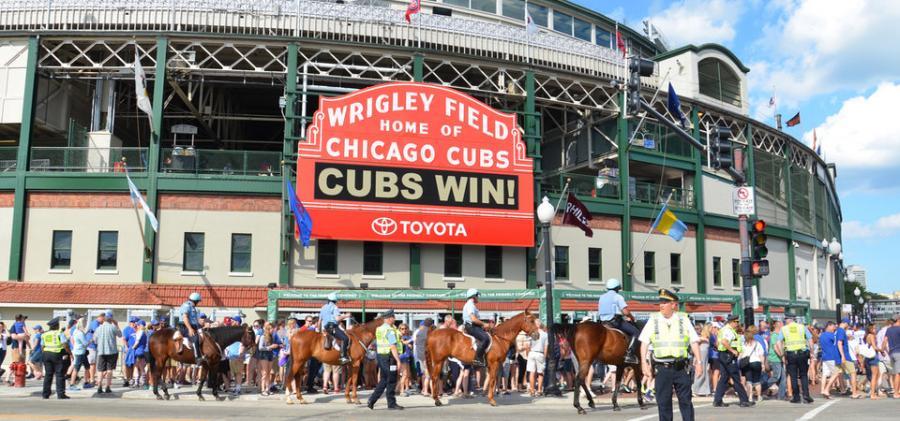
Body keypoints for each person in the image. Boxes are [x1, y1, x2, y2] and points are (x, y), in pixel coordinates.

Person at [638, 288, 702, 421]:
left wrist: (699, 362)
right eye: (660, 302)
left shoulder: (683, 319)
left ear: (673, 305)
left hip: (680, 367)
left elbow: (694, 341)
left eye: (665, 302)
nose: (661, 305)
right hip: (662, 368)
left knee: (686, 402)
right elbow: (644, 342)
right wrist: (644, 363)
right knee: (663, 403)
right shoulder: (653, 319)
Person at [712, 314, 753, 408]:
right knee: (736, 378)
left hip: (724, 355)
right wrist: (732, 350)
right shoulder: (728, 330)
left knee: (724, 378)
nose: (737, 324)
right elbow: (724, 342)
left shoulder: (724, 329)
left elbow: (718, 343)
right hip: (728, 355)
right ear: (732, 322)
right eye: (736, 322)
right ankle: (744, 400)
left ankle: (717, 400)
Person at [367, 310, 404, 410]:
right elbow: (392, 346)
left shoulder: (380, 329)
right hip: (389, 358)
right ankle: (391, 403)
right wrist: (398, 360)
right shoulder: (389, 330)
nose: (394, 319)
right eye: (393, 317)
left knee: (384, 379)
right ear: (389, 318)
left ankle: (372, 400)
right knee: (391, 380)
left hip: (381, 356)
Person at [598, 278, 640, 363]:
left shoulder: (601, 297)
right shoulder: (617, 297)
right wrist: (632, 318)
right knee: (636, 332)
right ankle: (630, 354)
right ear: (617, 288)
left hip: (603, 323)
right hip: (615, 323)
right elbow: (626, 312)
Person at [40, 317, 71, 400]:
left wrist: (46, 352)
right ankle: (60, 394)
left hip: (46, 354)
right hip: (57, 353)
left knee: (48, 374)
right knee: (59, 374)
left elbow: (42, 346)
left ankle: (45, 394)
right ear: (57, 325)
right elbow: (65, 344)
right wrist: (69, 353)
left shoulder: (44, 334)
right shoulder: (59, 333)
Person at [318, 292, 351, 365]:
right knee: (345, 338)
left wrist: (318, 330)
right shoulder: (335, 307)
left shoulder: (323, 307)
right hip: (332, 327)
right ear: (335, 301)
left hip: (325, 327)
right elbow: (337, 318)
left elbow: (319, 320)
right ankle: (343, 357)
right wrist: (346, 315)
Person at [93, 310, 121, 395]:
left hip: (101, 351)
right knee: (109, 370)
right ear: (111, 319)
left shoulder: (98, 328)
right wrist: (116, 324)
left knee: (100, 370)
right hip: (112, 351)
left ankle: (99, 387)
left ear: (104, 318)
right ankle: (108, 387)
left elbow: (94, 339)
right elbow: (120, 335)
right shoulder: (113, 327)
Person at [462, 289, 489, 367]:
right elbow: (473, 319)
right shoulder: (470, 305)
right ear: (474, 296)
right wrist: (484, 324)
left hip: (473, 326)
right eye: (477, 296)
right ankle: (477, 360)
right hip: (471, 326)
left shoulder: (471, 305)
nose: (478, 298)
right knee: (485, 338)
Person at [739, 326, 766, 402]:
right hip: (756, 362)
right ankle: (759, 396)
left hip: (747, 363)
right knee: (757, 381)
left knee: (749, 380)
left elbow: (740, 355)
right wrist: (763, 364)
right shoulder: (757, 344)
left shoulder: (743, 345)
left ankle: (750, 396)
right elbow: (761, 355)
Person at [177, 292, 205, 364]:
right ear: (195, 301)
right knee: (195, 338)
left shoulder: (192, 307)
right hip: (185, 327)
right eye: (198, 301)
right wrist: (190, 329)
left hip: (193, 326)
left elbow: (194, 320)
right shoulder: (186, 306)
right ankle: (197, 357)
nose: (198, 303)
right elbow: (185, 318)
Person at [836, 318, 859, 398]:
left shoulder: (838, 331)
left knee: (840, 373)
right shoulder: (841, 331)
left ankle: (843, 390)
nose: (848, 326)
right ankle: (854, 393)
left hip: (840, 356)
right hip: (845, 355)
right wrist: (843, 356)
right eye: (848, 324)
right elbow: (839, 343)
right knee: (853, 373)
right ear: (845, 323)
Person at [765, 319, 787, 401]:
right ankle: (761, 387)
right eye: (781, 323)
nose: (782, 325)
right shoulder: (774, 335)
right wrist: (781, 355)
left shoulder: (780, 335)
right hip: (774, 359)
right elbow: (775, 347)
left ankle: (781, 396)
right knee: (776, 377)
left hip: (778, 359)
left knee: (782, 379)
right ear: (776, 325)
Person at [819, 321, 842, 398]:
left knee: (824, 374)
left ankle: (822, 390)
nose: (834, 328)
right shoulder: (832, 335)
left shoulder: (821, 335)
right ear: (829, 326)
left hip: (824, 357)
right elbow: (838, 344)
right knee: (836, 373)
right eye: (833, 326)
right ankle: (826, 389)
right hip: (831, 357)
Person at [527, 319, 547, 397]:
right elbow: (546, 347)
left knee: (532, 372)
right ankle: (539, 390)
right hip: (540, 353)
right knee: (540, 373)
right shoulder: (545, 334)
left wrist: (528, 353)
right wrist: (544, 357)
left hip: (532, 353)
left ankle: (532, 390)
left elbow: (527, 346)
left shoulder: (531, 333)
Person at [413, 318, 433, 396]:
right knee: (429, 375)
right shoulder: (429, 332)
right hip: (426, 356)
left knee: (425, 374)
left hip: (420, 356)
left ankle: (424, 390)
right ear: (431, 324)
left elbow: (416, 343)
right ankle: (428, 391)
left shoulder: (419, 332)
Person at [886, 315, 900, 398]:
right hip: (899, 352)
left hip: (891, 353)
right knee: (898, 373)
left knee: (895, 373)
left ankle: (897, 390)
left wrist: (885, 351)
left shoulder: (889, 329)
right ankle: (896, 393)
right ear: (898, 320)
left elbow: (885, 341)